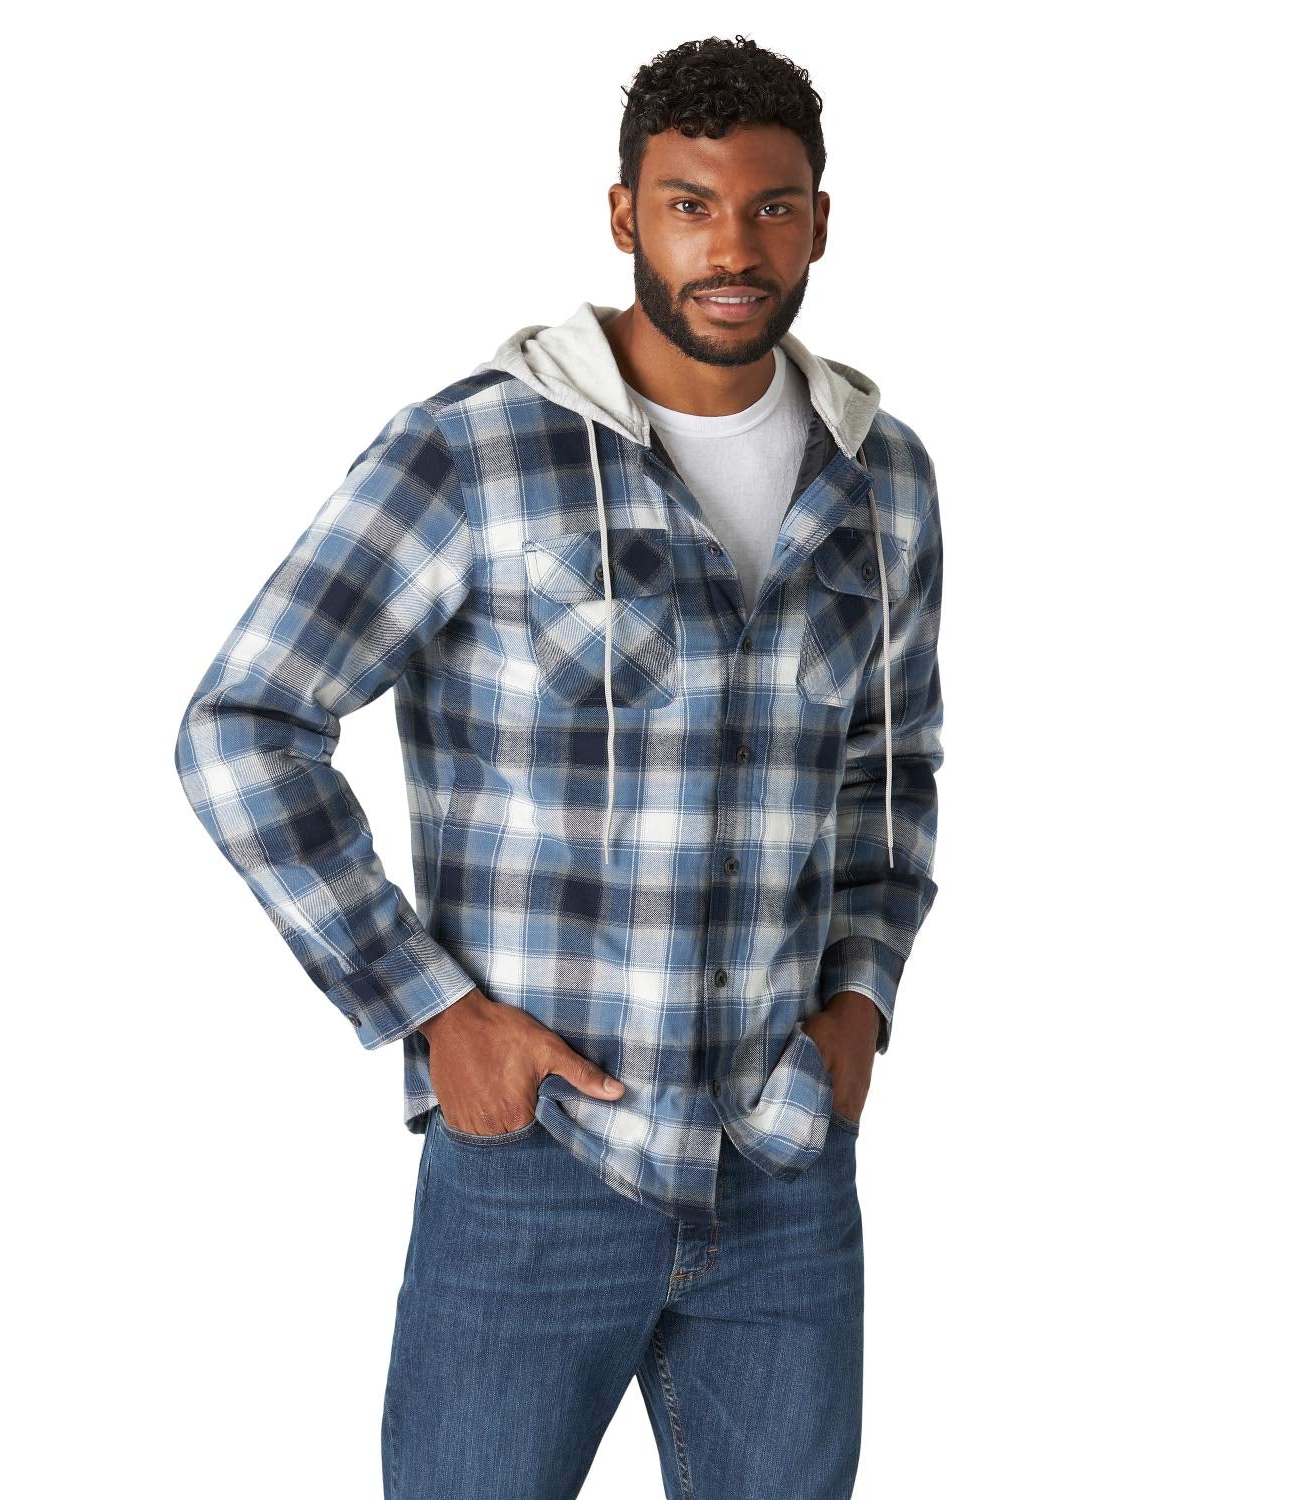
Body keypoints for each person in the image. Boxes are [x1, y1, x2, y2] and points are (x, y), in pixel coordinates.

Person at [175, 33, 944, 1500]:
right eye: (690, 206)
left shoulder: (883, 474)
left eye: (771, 207)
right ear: (623, 215)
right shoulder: (473, 451)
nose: (732, 248)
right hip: (538, 1163)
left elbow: (890, 777)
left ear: (820, 223)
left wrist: (859, 1005)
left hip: (785, 1163)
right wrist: (430, 1011)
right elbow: (244, 722)